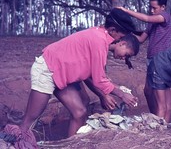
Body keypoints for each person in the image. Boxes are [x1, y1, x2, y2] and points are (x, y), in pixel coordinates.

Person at [2, 8, 140, 149]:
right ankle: (11, 142)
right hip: (48, 69)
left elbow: (90, 75)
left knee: (80, 111)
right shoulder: (99, 40)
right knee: (29, 119)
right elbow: (99, 79)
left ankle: (71, 145)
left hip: (63, 74)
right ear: (112, 30)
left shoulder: (99, 37)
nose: (121, 38)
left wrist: (103, 94)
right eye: (122, 35)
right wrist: (122, 94)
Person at [118, 0, 171, 113]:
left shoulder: (165, 17)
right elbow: (141, 39)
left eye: (155, 8)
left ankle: (161, 121)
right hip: (151, 60)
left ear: (163, 7)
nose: (152, 11)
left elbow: (147, 18)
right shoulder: (151, 23)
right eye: (150, 8)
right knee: (148, 91)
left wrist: (126, 11)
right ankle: (155, 117)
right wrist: (125, 32)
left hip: (162, 60)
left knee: (162, 94)